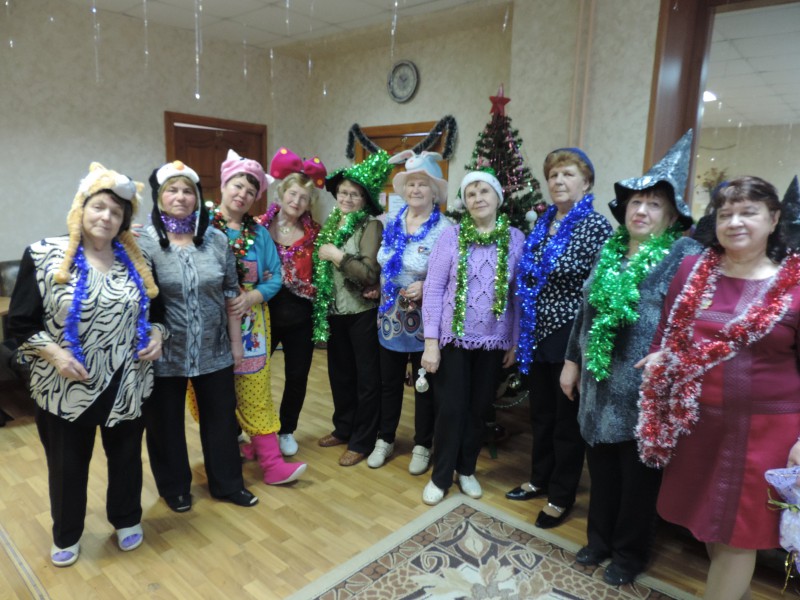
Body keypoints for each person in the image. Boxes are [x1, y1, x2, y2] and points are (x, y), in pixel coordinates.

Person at [635, 175, 800, 600]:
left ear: (773, 219)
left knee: (736, 534)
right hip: (698, 424)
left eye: (748, 212)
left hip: (766, 432)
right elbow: (667, 332)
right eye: (725, 214)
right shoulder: (692, 270)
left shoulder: (796, 284)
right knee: (710, 525)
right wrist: (660, 360)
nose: (735, 222)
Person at [560, 131, 700, 586]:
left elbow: (695, 322)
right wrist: (572, 361)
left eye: (654, 204)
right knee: (601, 472)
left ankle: (628, 554)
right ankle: (599, 541)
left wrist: (672, 356)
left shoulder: (684, 257)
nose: (641, 210)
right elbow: (584, 312)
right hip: (598, 386)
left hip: (643, 392)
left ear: (672, 215)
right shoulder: (611, 250)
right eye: (636, 202)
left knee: (637, 480)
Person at [7, 163, 163, 566]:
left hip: (127, 382)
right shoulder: (44, 255)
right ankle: (67, 534)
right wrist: (57, 355)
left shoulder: (137, 258)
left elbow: (157, 312)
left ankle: (126, 518)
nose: (106, 217)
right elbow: (20, 324)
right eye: (99, 207)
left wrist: (159, 334)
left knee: (126, 458)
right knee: (67, 466)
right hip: (65, 385)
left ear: (124, 220)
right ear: (81, 207)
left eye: (116, 211)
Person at [139, 160, 258, 511]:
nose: (180, 197)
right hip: (164, 354)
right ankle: (174, 487)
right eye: (172, 190)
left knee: (221, 420)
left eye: (187, 191)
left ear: (197, 197)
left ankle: (228, 484)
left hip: (215, 349)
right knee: (165, 423)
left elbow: (231, 294)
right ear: (160, 197)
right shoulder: (143, 242)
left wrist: (236, 345)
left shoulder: (216, 240)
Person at [510, 148, 612, 529]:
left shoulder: (596, 227)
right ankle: (539, 478)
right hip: (536, 333)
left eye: (568, 174)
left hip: (571, 336)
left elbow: (599, 292)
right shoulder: (543, 222)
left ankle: (561, 495)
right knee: (541, 415)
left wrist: (582, 351)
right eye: (553, 175)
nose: (558, 181)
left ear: (586, 182)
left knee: (566, 422)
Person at [420, 169, 524, 505]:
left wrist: (514, 340)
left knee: (479, 409)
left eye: (484, 191)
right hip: (452, 340)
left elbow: (518, 295)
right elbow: (433, 290)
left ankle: (466, 469)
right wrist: (431, 343)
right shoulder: (450, 237)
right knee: (450, 409)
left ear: (497, 197)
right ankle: (440, 476)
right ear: (464, 202)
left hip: (494, 342)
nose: (478, 198)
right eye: (471, 194)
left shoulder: (516, 239)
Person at [207, 149, 306, 484]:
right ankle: (227, 457)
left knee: (255, 390)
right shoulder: (202, 228)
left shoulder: (260, 234)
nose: (243, 195)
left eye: (251, 192)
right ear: (224, 186)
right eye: (238, 186)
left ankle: (271, 463)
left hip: (252, 327)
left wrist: (252, 296)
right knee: (215, 395)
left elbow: (275, 277)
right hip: (210, 325)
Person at [367, 150, 452, 473]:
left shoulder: (445, 229)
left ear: (435, 192)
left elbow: (453, 276)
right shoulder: (393, 221)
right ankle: (385, 438)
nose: (416, 189)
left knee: (423, 385)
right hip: (389, 315)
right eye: (411, 184)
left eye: (423, 184)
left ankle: (422, 444)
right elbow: (384, 262)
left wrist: (427, 284)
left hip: (424, 320)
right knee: (388, 383)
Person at [313, 150, 391, 466]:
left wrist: (337, 256)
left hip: (361, 312)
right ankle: (343, 428)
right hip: (334, 312)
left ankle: (362, 440)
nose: (347, 198)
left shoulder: (370, 226)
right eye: (343, 192)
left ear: (364, 199)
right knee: (340, 375)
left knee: (366, 380)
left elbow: (370, 274)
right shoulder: (332, 223)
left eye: (354, 194)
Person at [258, 147, 326, 457]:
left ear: (309, 203)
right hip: (264, 314)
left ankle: (286, 429)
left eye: (304, 198)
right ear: (282, 192)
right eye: (293, 194)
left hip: (301, 317)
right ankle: (255, 427)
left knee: (297, 376)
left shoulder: (317, 234)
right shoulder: (259, 227)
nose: (297, 201)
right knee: (255, 374)